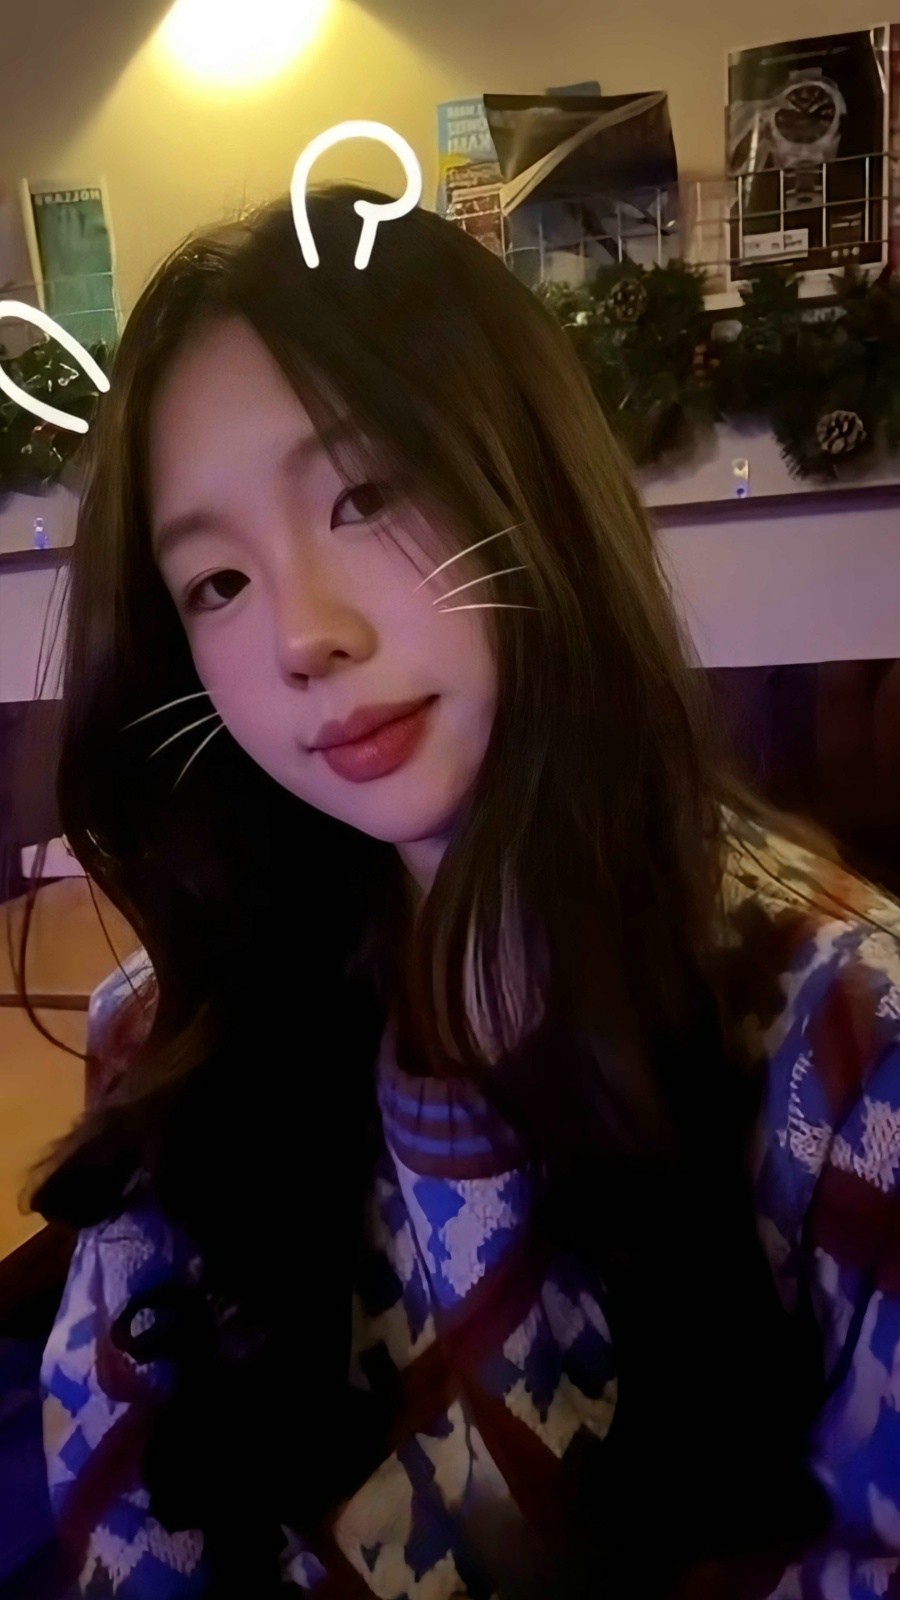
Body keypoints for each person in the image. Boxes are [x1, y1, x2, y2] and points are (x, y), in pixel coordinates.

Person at [28, 187, 900, 1600]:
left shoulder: (853, 1058)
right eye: (218, 582)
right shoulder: (175, 1034)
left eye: (367, 496)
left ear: (531, 474)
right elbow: (127, 1533)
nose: (305, 636)